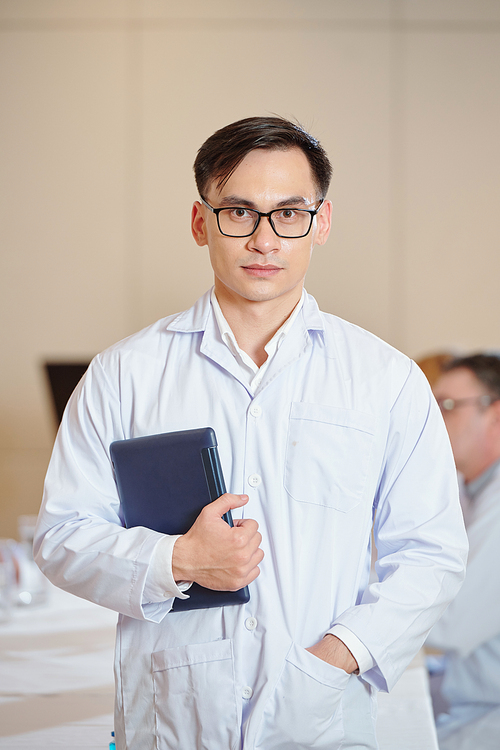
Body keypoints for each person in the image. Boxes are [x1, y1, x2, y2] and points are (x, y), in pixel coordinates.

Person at [34, 116, 467, 750]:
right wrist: (178, 559)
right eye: (238, 212)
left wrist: (333, 658)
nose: (264, 239)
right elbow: (61, 535)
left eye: (289, 214)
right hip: (173, 717)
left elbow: (431, 553)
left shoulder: (385, 379)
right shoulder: (124, 373)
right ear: (200, 221)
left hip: (319, 714)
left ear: (320, 223)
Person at [427, 353, 500, 750]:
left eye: (449, 406)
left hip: (489, 714)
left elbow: (454, 623)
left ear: (495, 415)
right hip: (469, 700)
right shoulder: (470, 487)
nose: (434, 417)